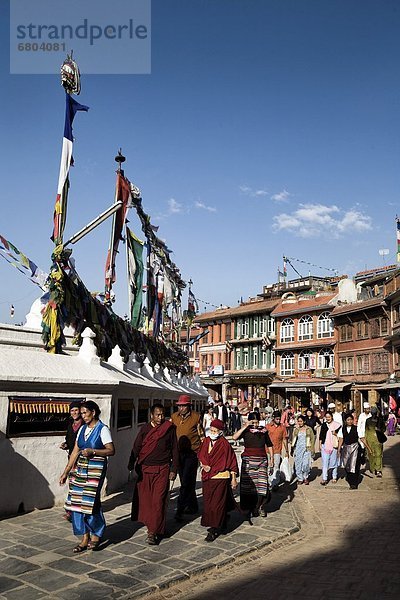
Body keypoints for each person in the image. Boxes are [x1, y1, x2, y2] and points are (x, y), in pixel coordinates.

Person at [60, 401, 115, 553]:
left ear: (94, 412)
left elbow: (111, 450)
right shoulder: (82, 429)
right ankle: (84, 538)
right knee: (76, 502)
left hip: (96, 470)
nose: (82, 416)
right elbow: (75, 451)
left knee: (90, 501)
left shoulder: (102, 429)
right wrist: (65, 472)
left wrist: (94, 451)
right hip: (80, 468)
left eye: (85, 413)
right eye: (82, 413)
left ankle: (96, 534)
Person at [129, 404, 178, 545]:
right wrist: (131, 462)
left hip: (162, 469)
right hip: (145, 470)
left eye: (162, 414)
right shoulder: (145, 429)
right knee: (147, 501)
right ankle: (156, 526)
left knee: (158, 500)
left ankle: (152, 532)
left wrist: (174, 469)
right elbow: (137, 446)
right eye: (157, 415)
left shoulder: (169, 429)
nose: (160, 417)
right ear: (152, 415)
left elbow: (175, 450)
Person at [198, 419, 238, 542]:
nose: (213, 432)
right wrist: (203, 465)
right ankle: (222, 519)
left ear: (220, 432)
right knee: (208, 503)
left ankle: (214, 528)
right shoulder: (206, 441)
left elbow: (232, 461)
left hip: (221, 477)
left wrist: (233, 479)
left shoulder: (224, 444)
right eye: (211, 430)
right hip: (207, 477)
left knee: (217, 504)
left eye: (215, 431)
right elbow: (201, 455)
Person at [232, 412, 273, 518]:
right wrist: (245, 426)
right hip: (248, 461)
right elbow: (234, 437)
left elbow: (269, 445)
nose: (255, 424)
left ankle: (260, 507)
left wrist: (272, 459)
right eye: (253, 422)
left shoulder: (263, 431)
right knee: (248, 486)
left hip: (262, 461)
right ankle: (248, 508)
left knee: (262, 485)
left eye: (257, 422)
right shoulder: (246, 431)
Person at [171, 394, 204, 520]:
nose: (181, 408)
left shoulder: (196, 417)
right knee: (187, 481)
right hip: (178, 453)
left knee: (186, 481)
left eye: (184, 406)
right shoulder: (174, 417)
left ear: (189, 406)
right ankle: (193, 505)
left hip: (192, 453)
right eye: (179, 406)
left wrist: (203, 455)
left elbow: (201, 435)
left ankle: (180, 509)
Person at [60, 401, 83, 522]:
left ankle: (78, 509)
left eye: (76, 410)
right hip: (71, 458)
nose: (74, 413)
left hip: (83, 459)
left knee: (80, 484)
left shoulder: (85, 425)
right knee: (72, 484)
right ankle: (70, 510)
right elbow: (68, 439)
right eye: (72, 411)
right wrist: (66, 445)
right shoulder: (70, 424)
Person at [337, 412, 366, 489]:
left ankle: (354, 483)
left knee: (355, 466)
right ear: (345, 421)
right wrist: (339, 449)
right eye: (348, 420)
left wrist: (368, 448)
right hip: (346, 449)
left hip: (355, 448)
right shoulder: (342, 429)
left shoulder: (356, 428)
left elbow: (362, 438)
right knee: (347, 465)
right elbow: (340, 439)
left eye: (351, 420)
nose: (349, 421)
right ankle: (350, 479)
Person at [266, 411, 289, 489]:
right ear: (273, 418)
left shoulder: (282, 428)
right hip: (267, 450)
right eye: (277, 419)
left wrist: (287, 451)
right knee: (269, 466)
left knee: (276, 466)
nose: (278, 420)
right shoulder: (268, 427)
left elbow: (284, 440)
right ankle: (269, 482)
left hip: (277, 450)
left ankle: (275, 483)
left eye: (279, 419)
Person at [291, 415, 315, 485]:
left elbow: (312, 439)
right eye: (298, 421)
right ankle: (300, 478)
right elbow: (293, 440)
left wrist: (312, 449)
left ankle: (305, 477)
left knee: (306, 464)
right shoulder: (296, 430)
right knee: (298, 464)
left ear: (304, 421)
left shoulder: (309, 429)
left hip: (307, 449)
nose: (300, 423)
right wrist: (292, 449)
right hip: (298, 449)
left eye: (301, 421)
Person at [319, 411, 341, 485]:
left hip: (334, 446)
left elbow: (341, 436)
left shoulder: (337, 425)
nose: (328, 418)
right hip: (325, 446)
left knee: (334, 462)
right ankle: (324, 478)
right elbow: (321, 436)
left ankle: (334, 476)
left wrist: (335, 433)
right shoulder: (324, 425)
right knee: (325, 463)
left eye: (329, 417)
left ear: (332, 417)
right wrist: (320, 445)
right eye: (326, 417)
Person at [364, 406, 385, 478]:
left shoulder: (380, 420)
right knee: (371, 454)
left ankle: (379, 470)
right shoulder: (368, 420)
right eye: (372, 413)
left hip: (378, 439)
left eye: (375, 413)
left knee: (378, 454)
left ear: (376, 413)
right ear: (371, 413)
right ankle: (373, 468)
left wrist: (379, 430)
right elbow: (366, 431)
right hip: (370, 439)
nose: (374, 414)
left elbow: (384, 429)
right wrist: (365, 441)